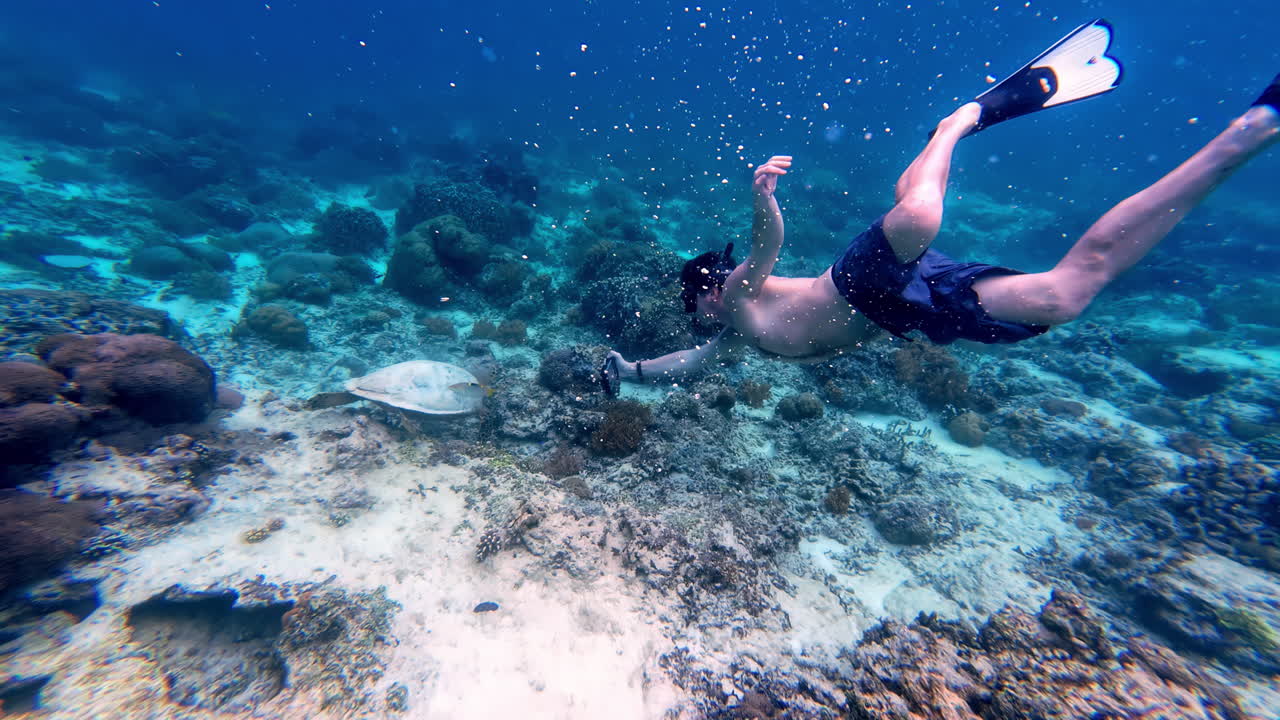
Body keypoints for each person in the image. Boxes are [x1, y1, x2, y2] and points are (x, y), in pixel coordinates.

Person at [601, 20, 1279, 394]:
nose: (707, 311)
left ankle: (958, 122)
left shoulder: (742, 294)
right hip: (907, 309)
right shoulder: (730, 333)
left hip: (858, 284)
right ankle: (1243, 138)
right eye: (702, 308)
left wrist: (761, 196)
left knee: (920, 217)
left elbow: (765, 248)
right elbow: (687, 365)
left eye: (704, 300)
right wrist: (629, 371)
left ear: (711, 291)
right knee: (1062, 298)